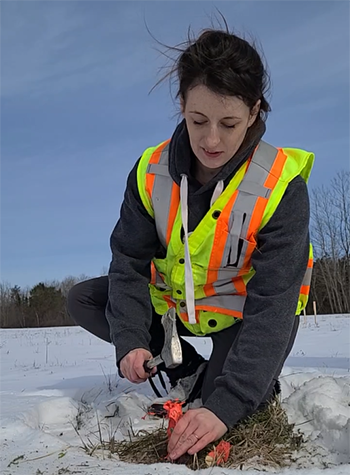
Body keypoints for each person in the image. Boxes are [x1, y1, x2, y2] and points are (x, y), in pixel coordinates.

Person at [67, 26, 314, 461]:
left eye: (229, 122)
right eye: (198, 120)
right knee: (87, 298)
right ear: (182, 105)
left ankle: (239, 377)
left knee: (228, 406)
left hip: (242, 319)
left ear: (255, 111)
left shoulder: (281, 186)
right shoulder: (150, 171)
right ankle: (186, 367)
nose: (211, 140)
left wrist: (226, 403)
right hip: (177, 309)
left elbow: (275, 302)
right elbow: (127, 260)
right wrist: (130, 339)